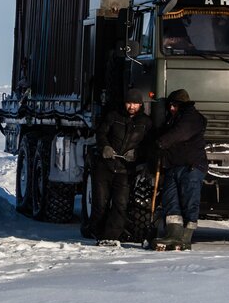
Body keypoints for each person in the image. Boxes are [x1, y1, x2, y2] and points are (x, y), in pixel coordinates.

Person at [86, 89, 152, 247]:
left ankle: (111, 236)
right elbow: (101, 133)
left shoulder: (146, 122)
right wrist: (105, 147)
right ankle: (97, 232)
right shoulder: (113, 116)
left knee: (120, 204)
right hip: (105, 166)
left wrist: (137, 153)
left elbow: (148, 145)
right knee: (100, 203)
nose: (132, 106)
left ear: (140, 105)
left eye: (135, 103)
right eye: (129, 103)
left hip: (125, 170)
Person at [152, 88, 208, 250]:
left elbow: (180, 134)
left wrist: (161, 142)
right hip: (173, 166)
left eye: (175, 105)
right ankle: (173, 233)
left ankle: (185, 237)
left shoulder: (192, 118)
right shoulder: (172, 119)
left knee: (189, 201)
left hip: (191, 167)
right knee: (171, 200)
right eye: (170, 105)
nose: (171, 108)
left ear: (183, 105)